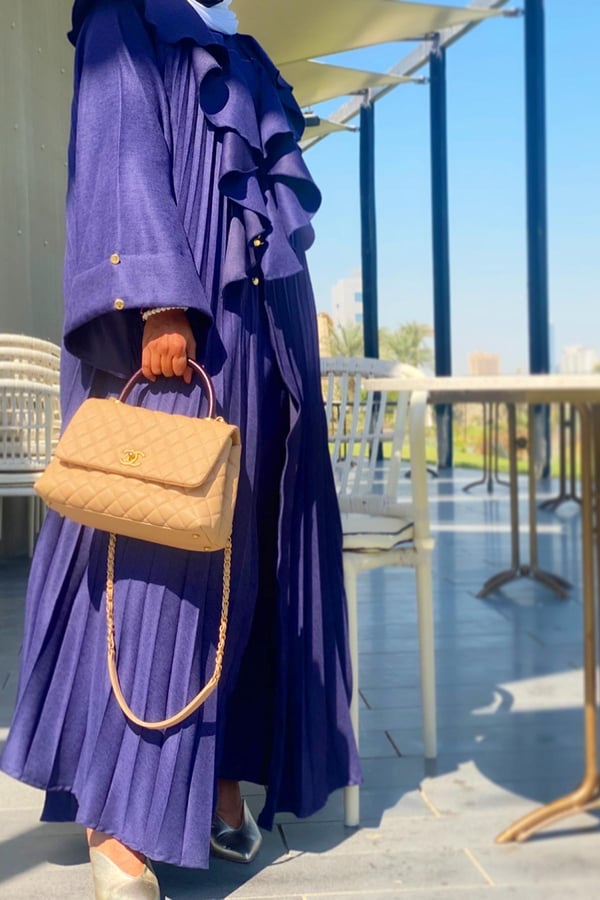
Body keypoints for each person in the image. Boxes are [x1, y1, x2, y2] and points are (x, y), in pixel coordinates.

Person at [1, 0, 362, 896]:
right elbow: (119, 147)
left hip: (262, 339)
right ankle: (118, 807)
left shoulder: (239, 42)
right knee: (157, 553)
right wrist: (157, 298)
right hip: (179, 320)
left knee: (246, 552)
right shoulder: (130, 14)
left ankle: (216, 767)